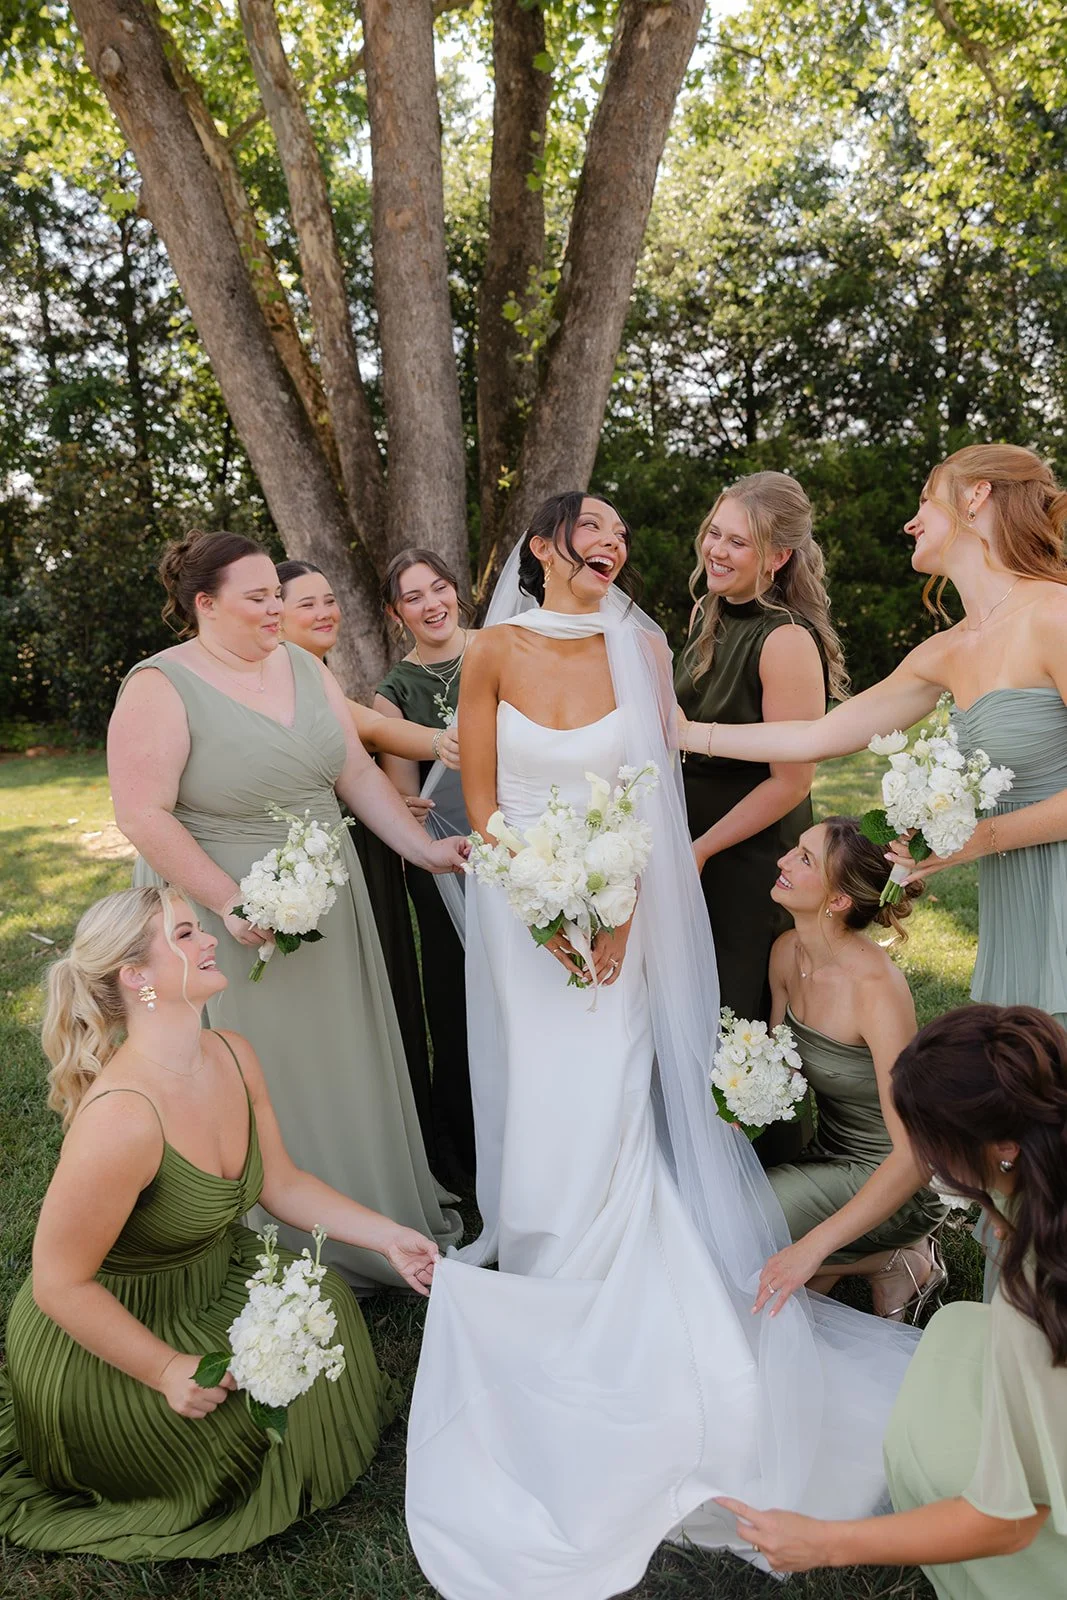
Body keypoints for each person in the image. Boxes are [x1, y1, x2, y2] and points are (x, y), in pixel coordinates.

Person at [404, 492, 918, 1600]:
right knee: (534, 1098)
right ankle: (540, 1264)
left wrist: (613, 919)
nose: (614, 545)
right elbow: (481, 799)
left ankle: (627, 1292)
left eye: (624, 535)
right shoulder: (487, 651)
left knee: (605, 1102)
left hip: (622, 921)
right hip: (520, 922)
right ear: (545, 547)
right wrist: (538, 907)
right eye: (591, 528)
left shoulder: (640, 649)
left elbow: (647, 805)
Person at [0, 887, 440, 1560]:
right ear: (136, 977)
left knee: (323, 1313)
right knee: (253, 1413)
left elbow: (281, 1182)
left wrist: (386, 1237)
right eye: (184, 934)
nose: (208, 939)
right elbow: (58, 1285)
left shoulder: (231, 1052)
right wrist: (168, 1369)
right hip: (114, 1330)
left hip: (210, 1277)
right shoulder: (121, 1118)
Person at [107, 529, 465, 1289]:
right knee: (261, 1065)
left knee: (344, 1053)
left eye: (279, 592)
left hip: (329, 903)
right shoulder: (159, 684)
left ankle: (368, 1209)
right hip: (226, 912)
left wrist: (424, 848)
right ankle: (269, 1231)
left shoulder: (301, 666)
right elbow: (142, 815)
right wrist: (229, 902)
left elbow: (356, 777)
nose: (278, 607)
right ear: (205, 604)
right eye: (260, 596)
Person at [677, 445, 1067, 1029]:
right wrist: (686, 732)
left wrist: (973, 838)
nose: (912, 522)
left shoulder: (1055, 616)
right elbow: (818, 736)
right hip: (1018, 903)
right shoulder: (945, 650)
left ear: (976, 497)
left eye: (926, 501)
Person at [717, 1004, 1067, 1600]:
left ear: (1003, 1147)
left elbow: (1010, 1520)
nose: (925, 1163)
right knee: (956, 1328)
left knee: (925, 1449)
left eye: (934, 1146)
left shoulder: (1039, 1288)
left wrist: (824, 1543)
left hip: (1029, 1509)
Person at [276, 557, 456, 1166]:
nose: (326, 612)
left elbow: (365, 750)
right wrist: (441, 742)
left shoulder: (320, 678)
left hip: (369, 846)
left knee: (391, 994)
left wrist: (393, 793)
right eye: (308, 604)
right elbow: (373, 736)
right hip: (329, 855)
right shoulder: (285, 678)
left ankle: (410, 1136)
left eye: (330, 600)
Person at [754, 816, 946, 1321]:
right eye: (794, 850)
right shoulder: (783, 954)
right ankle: (881, 1263)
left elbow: (916, 1155)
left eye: (804, 859)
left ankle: (894, 1251)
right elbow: (782, 1075)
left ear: (838, 902)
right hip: (831, 1156)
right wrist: (741, 1102)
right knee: (772, 1290)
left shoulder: (874, 989)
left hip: (898, 1175)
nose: (782, 862)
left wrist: (813, 1246)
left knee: (755, 1235)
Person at [674, 473, 847, 1024]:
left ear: (777, 556)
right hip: (691, 833)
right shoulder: (707, 610)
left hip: (750, 851)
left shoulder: (787, 640)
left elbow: (791, 782)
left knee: (736, 1004)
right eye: (715, 533)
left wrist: (702, 849)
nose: (716, 551)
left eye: (737, 542)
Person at [374, 548, 475, 1186]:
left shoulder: (501, 649)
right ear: (395, 613)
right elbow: (405, 801)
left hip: (529, 844)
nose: (432, 604)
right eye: (414, 597)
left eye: (439, 588)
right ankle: (465, 1151)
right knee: (457, 997)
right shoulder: (393, 694)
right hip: (442, 865)